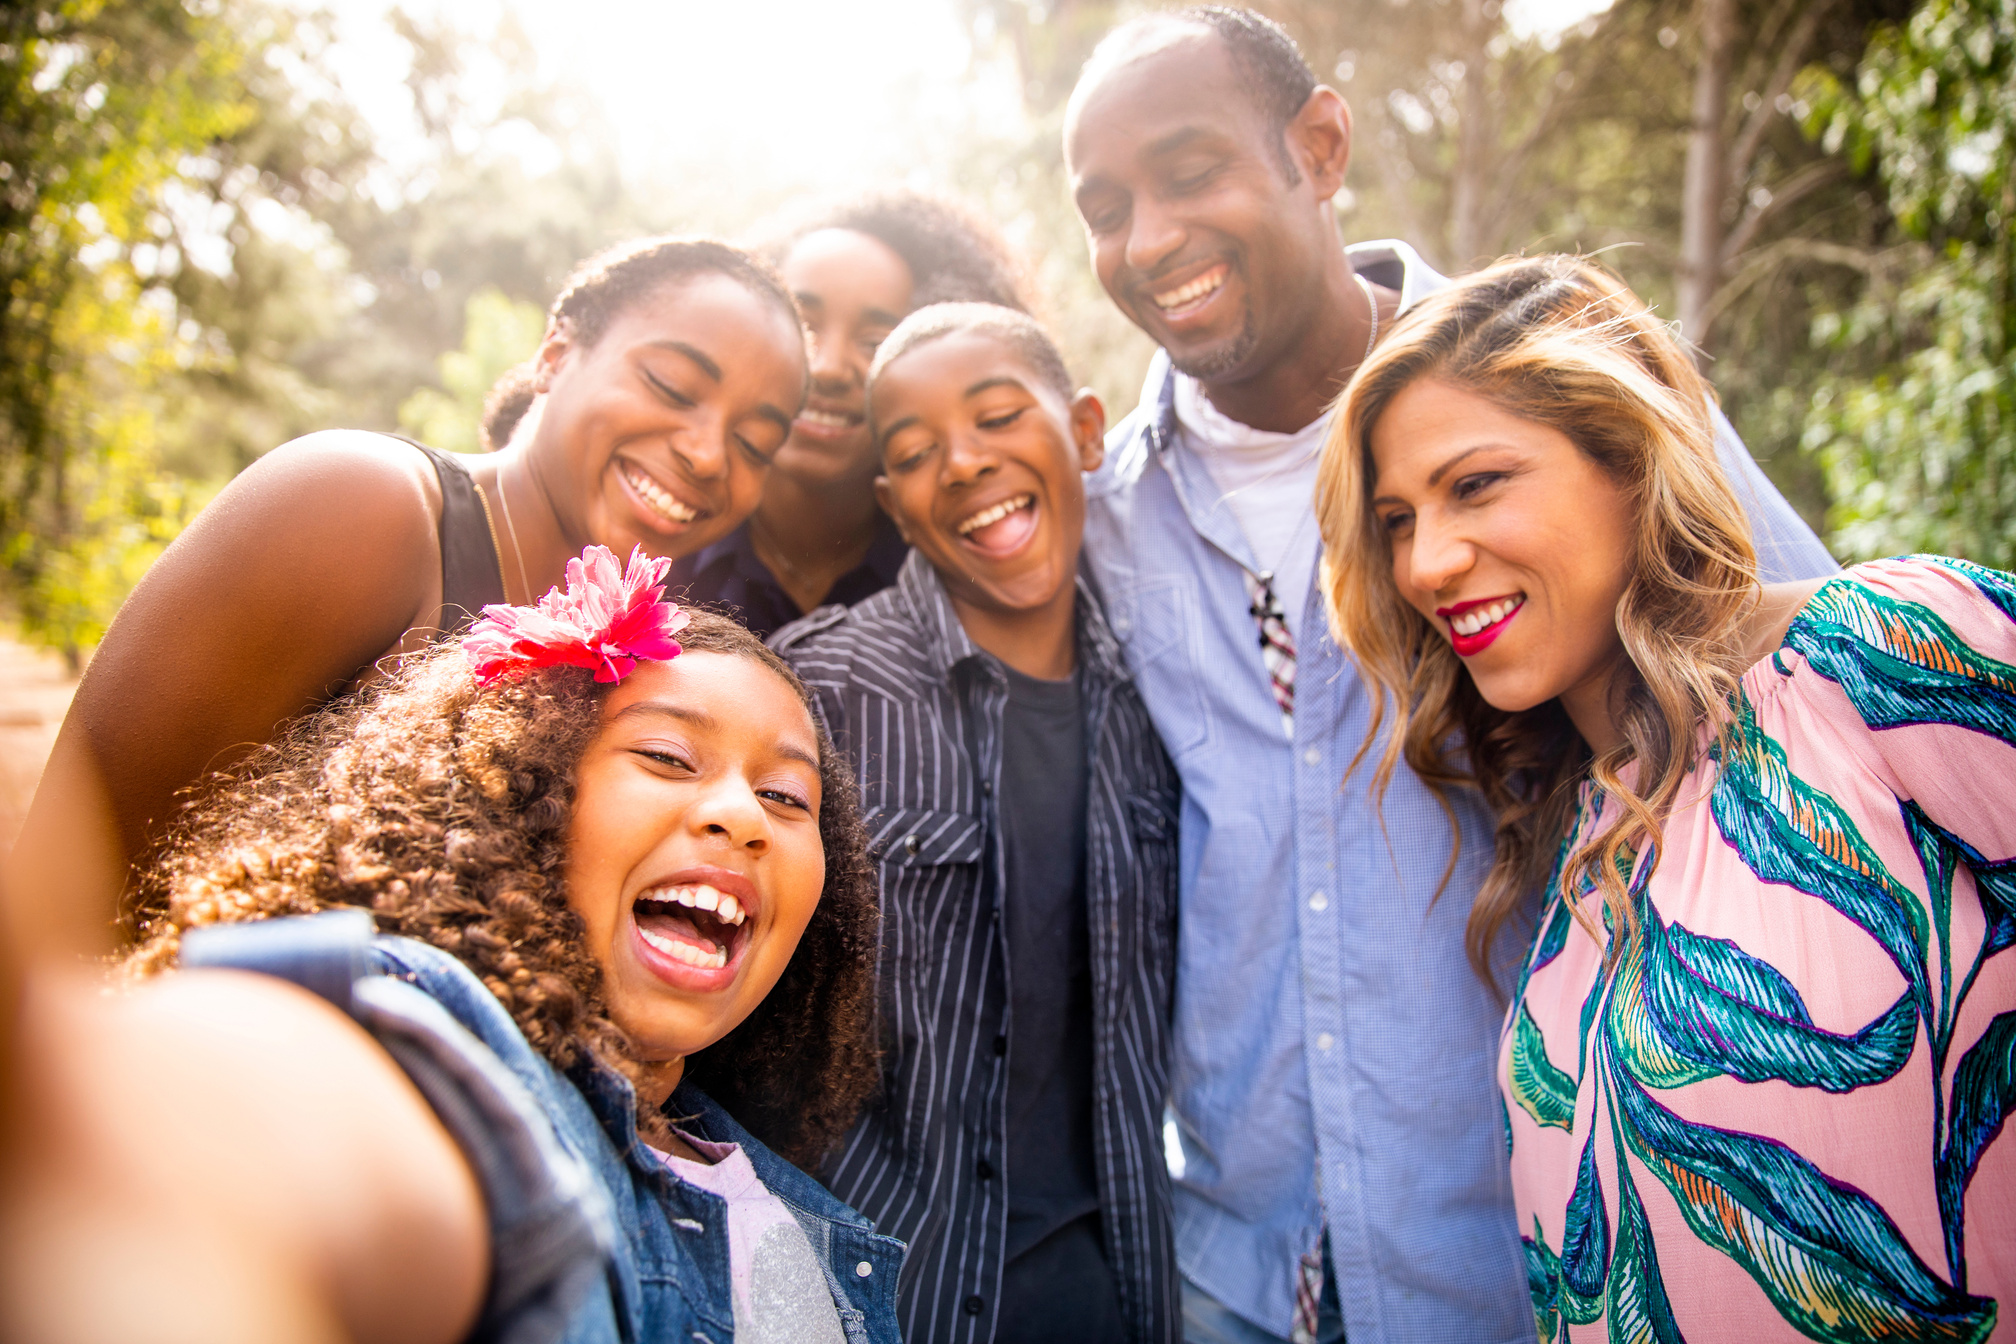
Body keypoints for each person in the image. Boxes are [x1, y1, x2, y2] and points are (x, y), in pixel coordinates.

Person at [1059, 8, 1841, 1342]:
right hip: (1235, 1275)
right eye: (1105, 204)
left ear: (1318, 146)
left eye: (1189, 172)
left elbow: (1811, 711)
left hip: (1544, 1260)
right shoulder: (1103, 518)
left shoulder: (1551, 391)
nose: (1148, 238)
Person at [1318, 252, 2016, 1342]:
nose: (1425, 563)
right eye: (1399, 517)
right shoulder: (1578, 824)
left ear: (1630, 460)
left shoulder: (1887, 654)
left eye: (1475, 484)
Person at [2, 544, 899, 1344]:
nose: (743, 816)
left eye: (786, 797)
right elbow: (290, 1119)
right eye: (667, 756)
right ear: (519, 791)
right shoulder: (455, 1064)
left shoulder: (781, 1198)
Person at [17, 236, 809, 899]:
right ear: (556, 353)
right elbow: (71, 876)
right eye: (671, 385)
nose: (708, 453)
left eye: (753, 444)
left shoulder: (646, 652)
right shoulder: (355, 508)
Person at [772, 303, 1182, 1344]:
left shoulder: (1159, 702)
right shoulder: (818, 691)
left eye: (999, 416)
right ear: (894, 506)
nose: (962, 462)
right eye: (914, 453)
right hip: (874, 1299)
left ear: (1086, 433)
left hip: (1112, 1296)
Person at [670, 192, 1028, 638]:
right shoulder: (662, 539)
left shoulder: (961, 572)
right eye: (804, 326)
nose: (828, 369)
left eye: (874, 342)